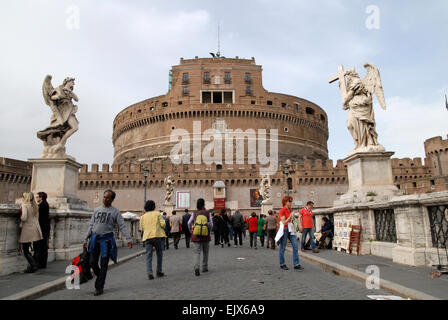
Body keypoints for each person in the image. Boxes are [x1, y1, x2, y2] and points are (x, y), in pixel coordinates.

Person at [83, 190, 133, 296]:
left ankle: (99, 286)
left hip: (106, 241)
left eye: (107, 197)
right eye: (104, 197)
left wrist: (128, 239)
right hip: (94, 240)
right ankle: (100, 277)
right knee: (92, 262)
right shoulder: (97, 210)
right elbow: (91, 225)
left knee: (104, 264)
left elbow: (122, 226)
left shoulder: (115, 212)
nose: (105, 199)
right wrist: (85, 239)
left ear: (112, 199)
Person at [140, 200, 166, 280]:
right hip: (156, 235)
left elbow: (141, 228)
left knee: (148, 255)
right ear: (153, 206)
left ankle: (149, 272)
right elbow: (163, 224)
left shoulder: (143, 216)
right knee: (159, 254)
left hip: (147, 237)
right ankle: (159, 271)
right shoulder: (157, 214)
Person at [188, 198, 213, 276]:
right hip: (206, 235)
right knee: (206, 252)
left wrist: (191, 231)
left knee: (197, 253)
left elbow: (188, 223)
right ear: (204, 205)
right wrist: (209, 231)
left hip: (196, 235)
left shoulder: (194, 213)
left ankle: (197, 268)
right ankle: (204, 267)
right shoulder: (208, 213)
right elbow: (211, 224)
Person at [19, 192, 43, 273]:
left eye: (22, 196)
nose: (22, 197)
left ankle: (33, 265)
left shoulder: (25, 205)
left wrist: (20, 216)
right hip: (35, 229)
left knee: (25, 250)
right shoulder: (35, 206)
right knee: (32, 248)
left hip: (27, 230)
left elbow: (24, 217)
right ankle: (34, 265)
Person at [278, 196, 303, 271]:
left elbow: (292, 220)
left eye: (291, 201)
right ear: (285, 202)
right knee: (283, 247)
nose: (291, 202)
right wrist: (290, 216)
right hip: (285, 229)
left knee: (295, 246)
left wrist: (299, 226)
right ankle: (282, 264)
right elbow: (284, 222)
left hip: (291, 230)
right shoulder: (282, 210)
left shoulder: (290, 209)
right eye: (289, 201)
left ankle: (296, 264)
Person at [34, 192, 50, 268]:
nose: (36, 198)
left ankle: (40, 263)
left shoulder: (42, 205)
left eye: (37, 197)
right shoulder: (45, 204)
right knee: (43, 246)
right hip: (45, 228)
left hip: (42, 228)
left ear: (41, 198)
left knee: (40, 246)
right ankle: (43, 263)